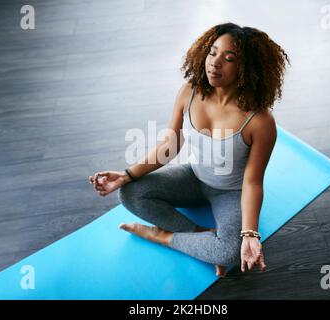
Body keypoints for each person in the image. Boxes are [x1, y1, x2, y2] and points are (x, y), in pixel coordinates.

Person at [89, 22, 289, 277]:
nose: (215, 63)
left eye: (229, 58)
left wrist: (250, 234)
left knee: (230, 253)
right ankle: (199, 236)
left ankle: (163, 237)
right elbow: (170, 145)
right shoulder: (190, 91)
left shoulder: (260, 121)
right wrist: (127, 174)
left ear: (248, 69)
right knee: (130, 192)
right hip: (194, 177)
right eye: (213, 52)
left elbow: (252, 182)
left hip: (230, 193)